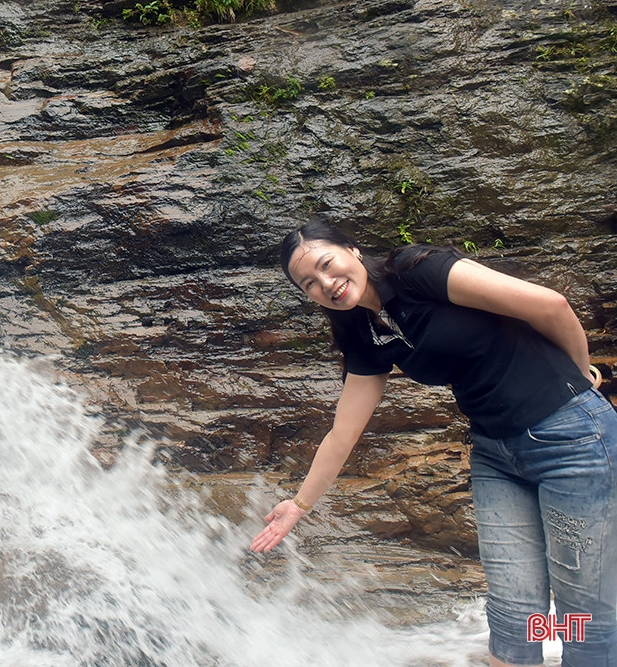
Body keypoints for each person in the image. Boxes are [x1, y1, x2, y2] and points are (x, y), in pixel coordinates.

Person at [251, 219, 616, 667]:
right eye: (309, 282)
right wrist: (299, 505)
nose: (327, 283)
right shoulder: (362, 333)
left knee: (585, 607)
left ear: (352, 249)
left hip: (570, 439)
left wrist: (577, 384)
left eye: (327, 264)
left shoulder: (418, 271)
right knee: (513, 611)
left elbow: (551, 306)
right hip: (495, 456)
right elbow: (343, 432)